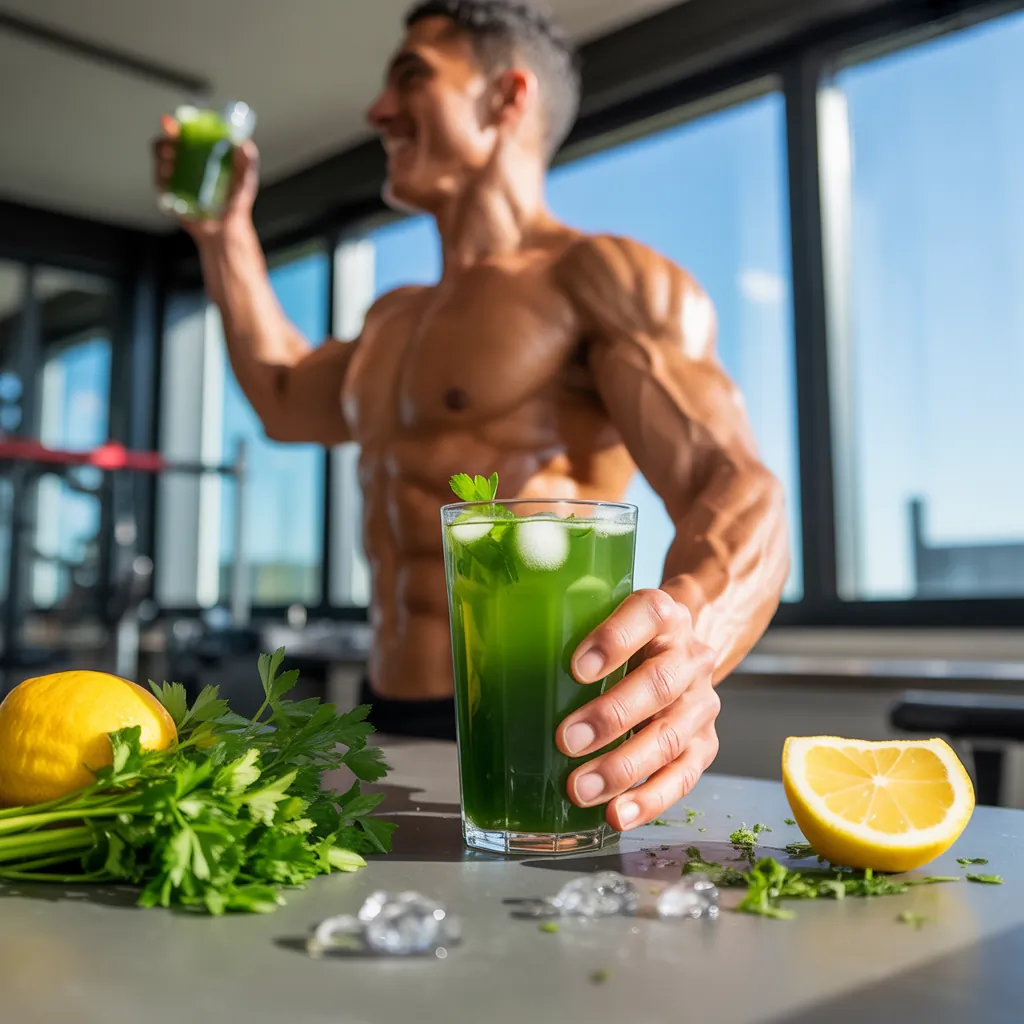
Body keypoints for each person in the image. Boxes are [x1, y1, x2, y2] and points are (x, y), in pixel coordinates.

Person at [153, 0, 789, 833]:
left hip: (543, 724)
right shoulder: (390, 322)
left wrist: (691, 641)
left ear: (505, 97)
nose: (378, 112)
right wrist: (223, 235)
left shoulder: (599, 279)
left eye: (411, 79)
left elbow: (735, 483)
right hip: (383, 721)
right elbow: (281, 396)